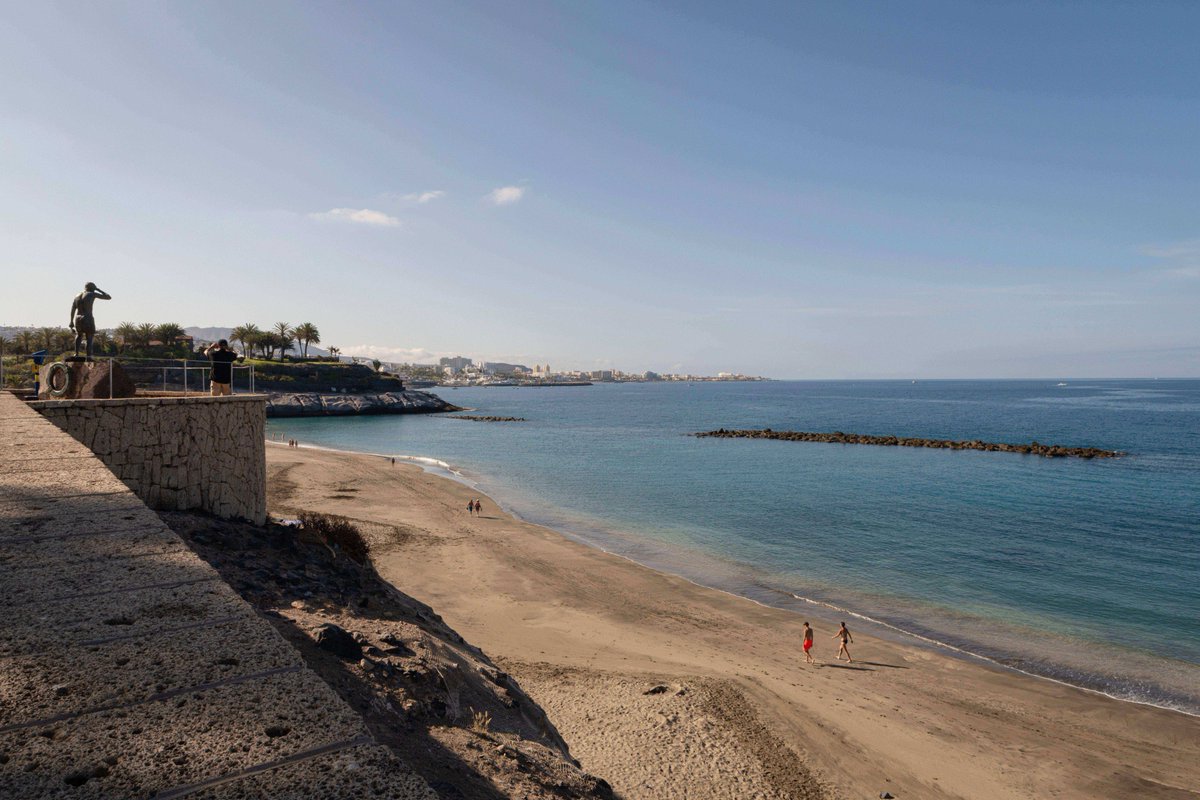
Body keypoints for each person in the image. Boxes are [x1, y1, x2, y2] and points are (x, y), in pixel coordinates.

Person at [69, 282, 112, 360]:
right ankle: (88, 356)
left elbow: (73, 309)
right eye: (94, 287)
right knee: (89, 337)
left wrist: (71, 321)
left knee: (79, 335)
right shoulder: (92, 294)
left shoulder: (77, 296)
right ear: (92, 288)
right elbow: (108, 297)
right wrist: (98, 289)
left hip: (77, 318)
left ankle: (76, 354)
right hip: (87, 317)